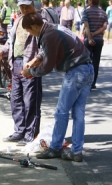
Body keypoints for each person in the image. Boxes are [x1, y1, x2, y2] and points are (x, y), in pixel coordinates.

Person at [19, 12, 93, 162]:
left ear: (34, 26)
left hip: (76, 71)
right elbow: (46, 52)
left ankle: (55, 148)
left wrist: (30, 72)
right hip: (88, 69)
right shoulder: (53, 28)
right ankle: (76, 151)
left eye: (29, 31)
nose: (30, 34)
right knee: (78, 113)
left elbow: (47, 67)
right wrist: (35, 60)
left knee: (61, 112)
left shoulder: (48, 35)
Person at [0, 0, 42, 146]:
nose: (25, 9)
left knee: (30, 101)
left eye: (27, 6)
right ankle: (19, 131)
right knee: (15, 99)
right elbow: (10, 42)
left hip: (31, 65)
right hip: (15, 63)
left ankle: (30, 134)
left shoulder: (40, 20)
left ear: (33, 5)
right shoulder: (18, 20)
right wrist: (2, 51)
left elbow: (45, 46)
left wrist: (34, 63)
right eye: (22, 6)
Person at [81, 0, 108, 90]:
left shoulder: (86, 11)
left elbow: (86, 25)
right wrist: (95, 34)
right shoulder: (103, 13)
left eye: (88, 0)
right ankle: (93, 83)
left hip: (89, 40)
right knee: (96, 62)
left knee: (86, 61)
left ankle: (85, 82)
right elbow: (104, 27)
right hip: (99, 39)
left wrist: (89, 37)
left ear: (91, 1)